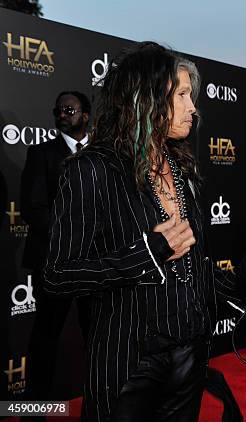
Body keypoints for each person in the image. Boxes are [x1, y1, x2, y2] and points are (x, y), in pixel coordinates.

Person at [43, 42, 239, 422]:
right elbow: (57, 275)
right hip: (129, 365)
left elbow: (195, 266)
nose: (193, 107)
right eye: (181, 95)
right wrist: (146, 254)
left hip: (190, 357)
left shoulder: (183, 172)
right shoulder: (91, 171)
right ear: (147, 98)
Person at [20, 91, 92, 409]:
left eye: (68, 109)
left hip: (96, 265)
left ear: (86, 115)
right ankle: (33, 411)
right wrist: (71, 236)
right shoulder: (41, 154)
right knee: (45, 339)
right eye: (57, 110)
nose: (61, 114)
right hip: (55, 262)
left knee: (99, 338)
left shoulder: (102, 155)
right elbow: (33, 209)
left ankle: (100, 407)